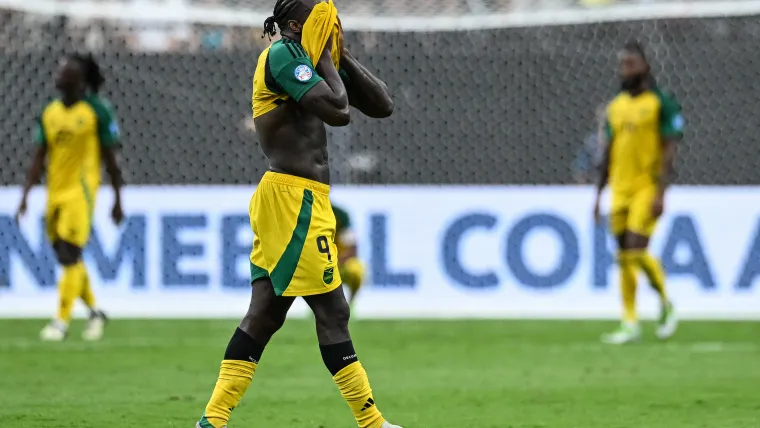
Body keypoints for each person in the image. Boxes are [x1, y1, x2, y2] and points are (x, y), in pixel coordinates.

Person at [195, 0, 398, 427]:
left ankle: (212, 421)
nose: (326, 22)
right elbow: (339, 113)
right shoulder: (284, 56)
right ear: (292, 24)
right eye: (317, 18)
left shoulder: (309, 58)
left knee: (265, 314)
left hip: (300, 199)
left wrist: (341, 53)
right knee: (333, 312)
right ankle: (373, 423)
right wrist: (325, 57)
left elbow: (382, 105)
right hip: (293, 200)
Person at [16, 54, 124, 342]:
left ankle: (60, 322)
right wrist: (25, 196)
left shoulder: (96, 111)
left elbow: (111, 160)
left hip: (82, 191)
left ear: (80, 81)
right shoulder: (49, 112)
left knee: (69, 253)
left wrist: (117, 199)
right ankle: (95, 312)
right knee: (66, 255)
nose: (58, 75)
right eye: (59, 70)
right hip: (54, 192)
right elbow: (39, 158)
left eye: (66, 72)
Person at [594, 41, 682, 345]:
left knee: (635, 249)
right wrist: (597, 195)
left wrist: (661, 192)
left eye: (631, 64)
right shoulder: (615, 107)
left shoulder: (661, 102)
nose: (626, 69)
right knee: (624, 257)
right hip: (619, 189)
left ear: (645, 67)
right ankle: (629, 321)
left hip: (646, 187)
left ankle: (666, 303)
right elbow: (607, 153)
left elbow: (670, 148)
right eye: (623, 64)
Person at [333, 203, 365, 307]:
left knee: (356, 270)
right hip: (316, 263)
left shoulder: (340, 215)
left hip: (338, 262)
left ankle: (350, 304)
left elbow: (352, 248)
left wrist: (336, 261)